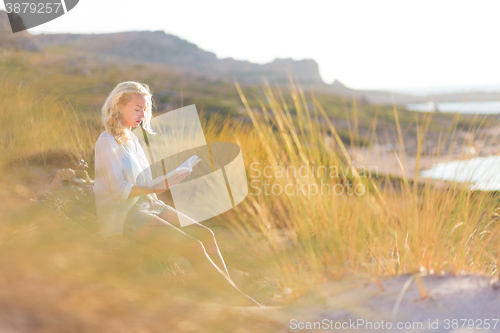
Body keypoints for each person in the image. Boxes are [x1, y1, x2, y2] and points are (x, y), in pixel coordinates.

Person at [94, 81, 260, 307]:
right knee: (193, 247)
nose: (142, 114)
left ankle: (225, 293)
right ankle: (240, 303)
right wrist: (157, 188)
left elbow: (143, 181)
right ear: (119, 106)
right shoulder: (106, 142)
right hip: (126, 214)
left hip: (149, 203)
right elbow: (119, 190)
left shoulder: (132, 139)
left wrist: (170, 177)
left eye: (145, 109)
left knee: (206, 235)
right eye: (137, 108)